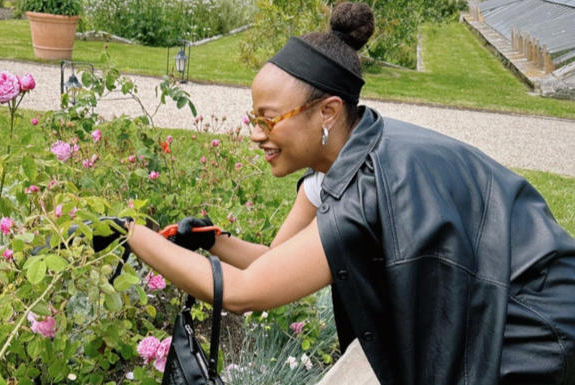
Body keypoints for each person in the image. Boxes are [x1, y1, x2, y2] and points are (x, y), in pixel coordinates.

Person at [94, 3, 575, 384]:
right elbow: (273, 262)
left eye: (268, 118)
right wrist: (210, 241)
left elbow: (242, 295)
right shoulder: (329, 174)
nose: (256, 133)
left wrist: (129, 234)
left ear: (326, 112)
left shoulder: (369, 187)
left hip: (532, 325)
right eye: (253, 118)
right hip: (481, 303)